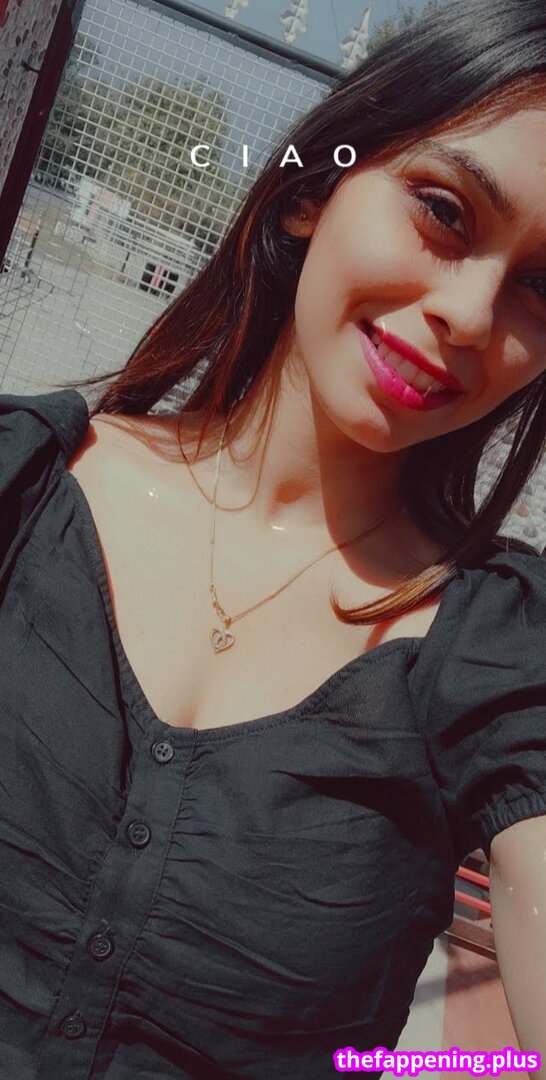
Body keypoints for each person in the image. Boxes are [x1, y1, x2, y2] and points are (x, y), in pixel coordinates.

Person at [1, 0, 546, 1076]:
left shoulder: (497, 646)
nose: (473, 314)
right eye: (444, 210)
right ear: (309, 193)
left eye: (542, 287)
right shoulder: (24, 482)